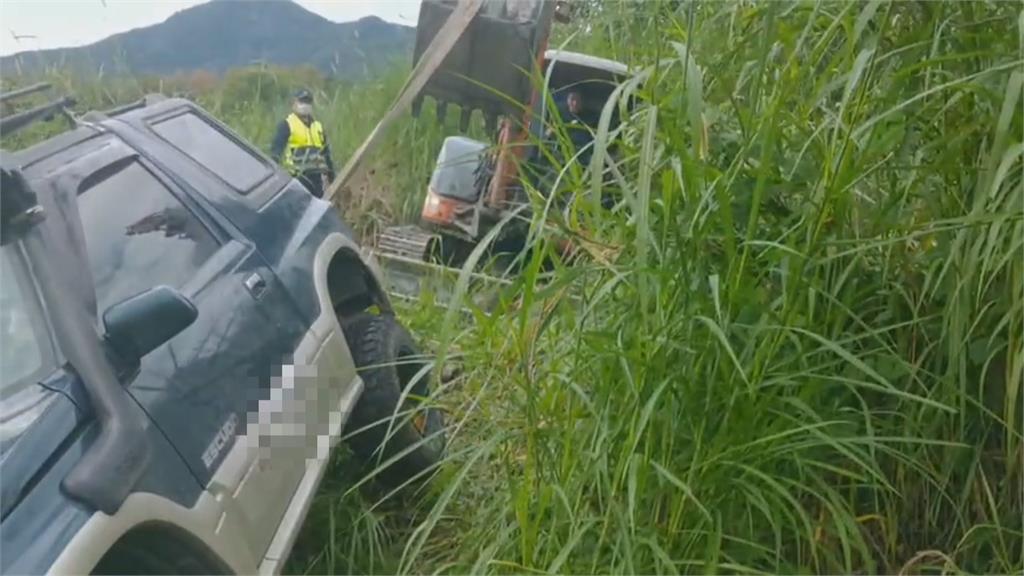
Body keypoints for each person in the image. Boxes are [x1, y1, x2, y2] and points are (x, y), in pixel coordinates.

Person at [270, 89, 336, 198]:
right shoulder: (287, 125)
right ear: (294, 103)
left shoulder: (318, 127)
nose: (305, 106)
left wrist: (332, 177)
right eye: (301, 102)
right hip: (297, 178)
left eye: (308, 102)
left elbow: (326, 154)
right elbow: (276, 153)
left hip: (316, 178)